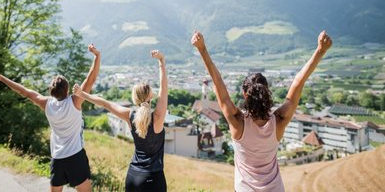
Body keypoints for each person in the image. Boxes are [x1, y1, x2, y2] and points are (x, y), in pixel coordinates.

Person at [191, 30, 332, 191]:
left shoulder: (237, 121)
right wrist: (320, 51)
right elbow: (298, 82)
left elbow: (217, 82)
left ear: (245, 94)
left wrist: (202, 49)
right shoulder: (279, 120)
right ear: (267, 91)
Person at [0, 44, 101, 192]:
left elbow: (25, 92)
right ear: (67, 90)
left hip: (58, 157)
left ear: (51, 92)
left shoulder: (46, 104)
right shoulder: (74, 101)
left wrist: (2, 78)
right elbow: (90, 79)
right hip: (76, 156)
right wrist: (97, 55)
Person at [73, 50, 168, 192]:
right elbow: (164, 89)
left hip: (133, 176)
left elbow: (105, 103)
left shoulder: (130, 116)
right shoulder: (158, 118)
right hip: (153, 178)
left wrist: (82, 94)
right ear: (151, 96)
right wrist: (161, 61)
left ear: (135, 99)